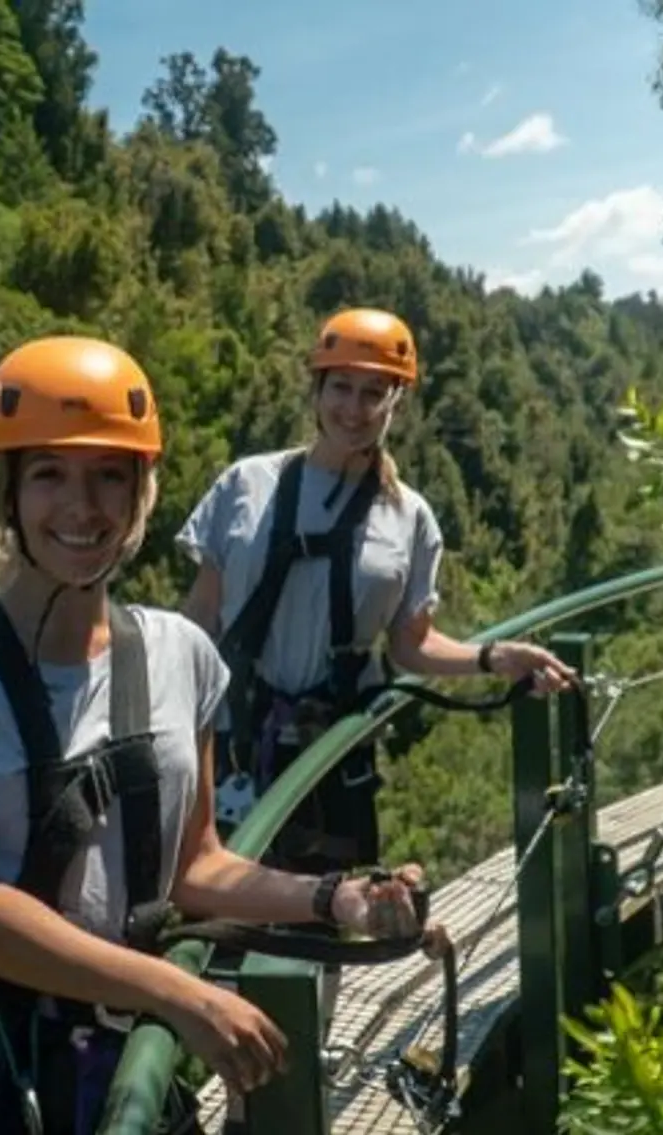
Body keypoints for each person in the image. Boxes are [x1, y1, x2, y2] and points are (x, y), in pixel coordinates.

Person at [0, 334, 444, 1135]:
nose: (82, 505)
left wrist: (334, 896)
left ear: (141, 493)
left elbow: (194, 864)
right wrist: (174, 989)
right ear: (7, 494)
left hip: (113, 1043)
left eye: (110, 474)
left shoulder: (181, 656)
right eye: (49, 475)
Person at [178, 307, 578, 874]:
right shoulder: (246, 485)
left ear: (396, 403)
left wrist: (494, 657)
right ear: (316, 390)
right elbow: (202, 617)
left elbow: (411, 646)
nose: (354, 408)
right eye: (340, 387)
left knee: (327, 920)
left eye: (373, 393)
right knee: (217, 916)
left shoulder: (408, 518)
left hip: (334, 753)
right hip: (230, 742)